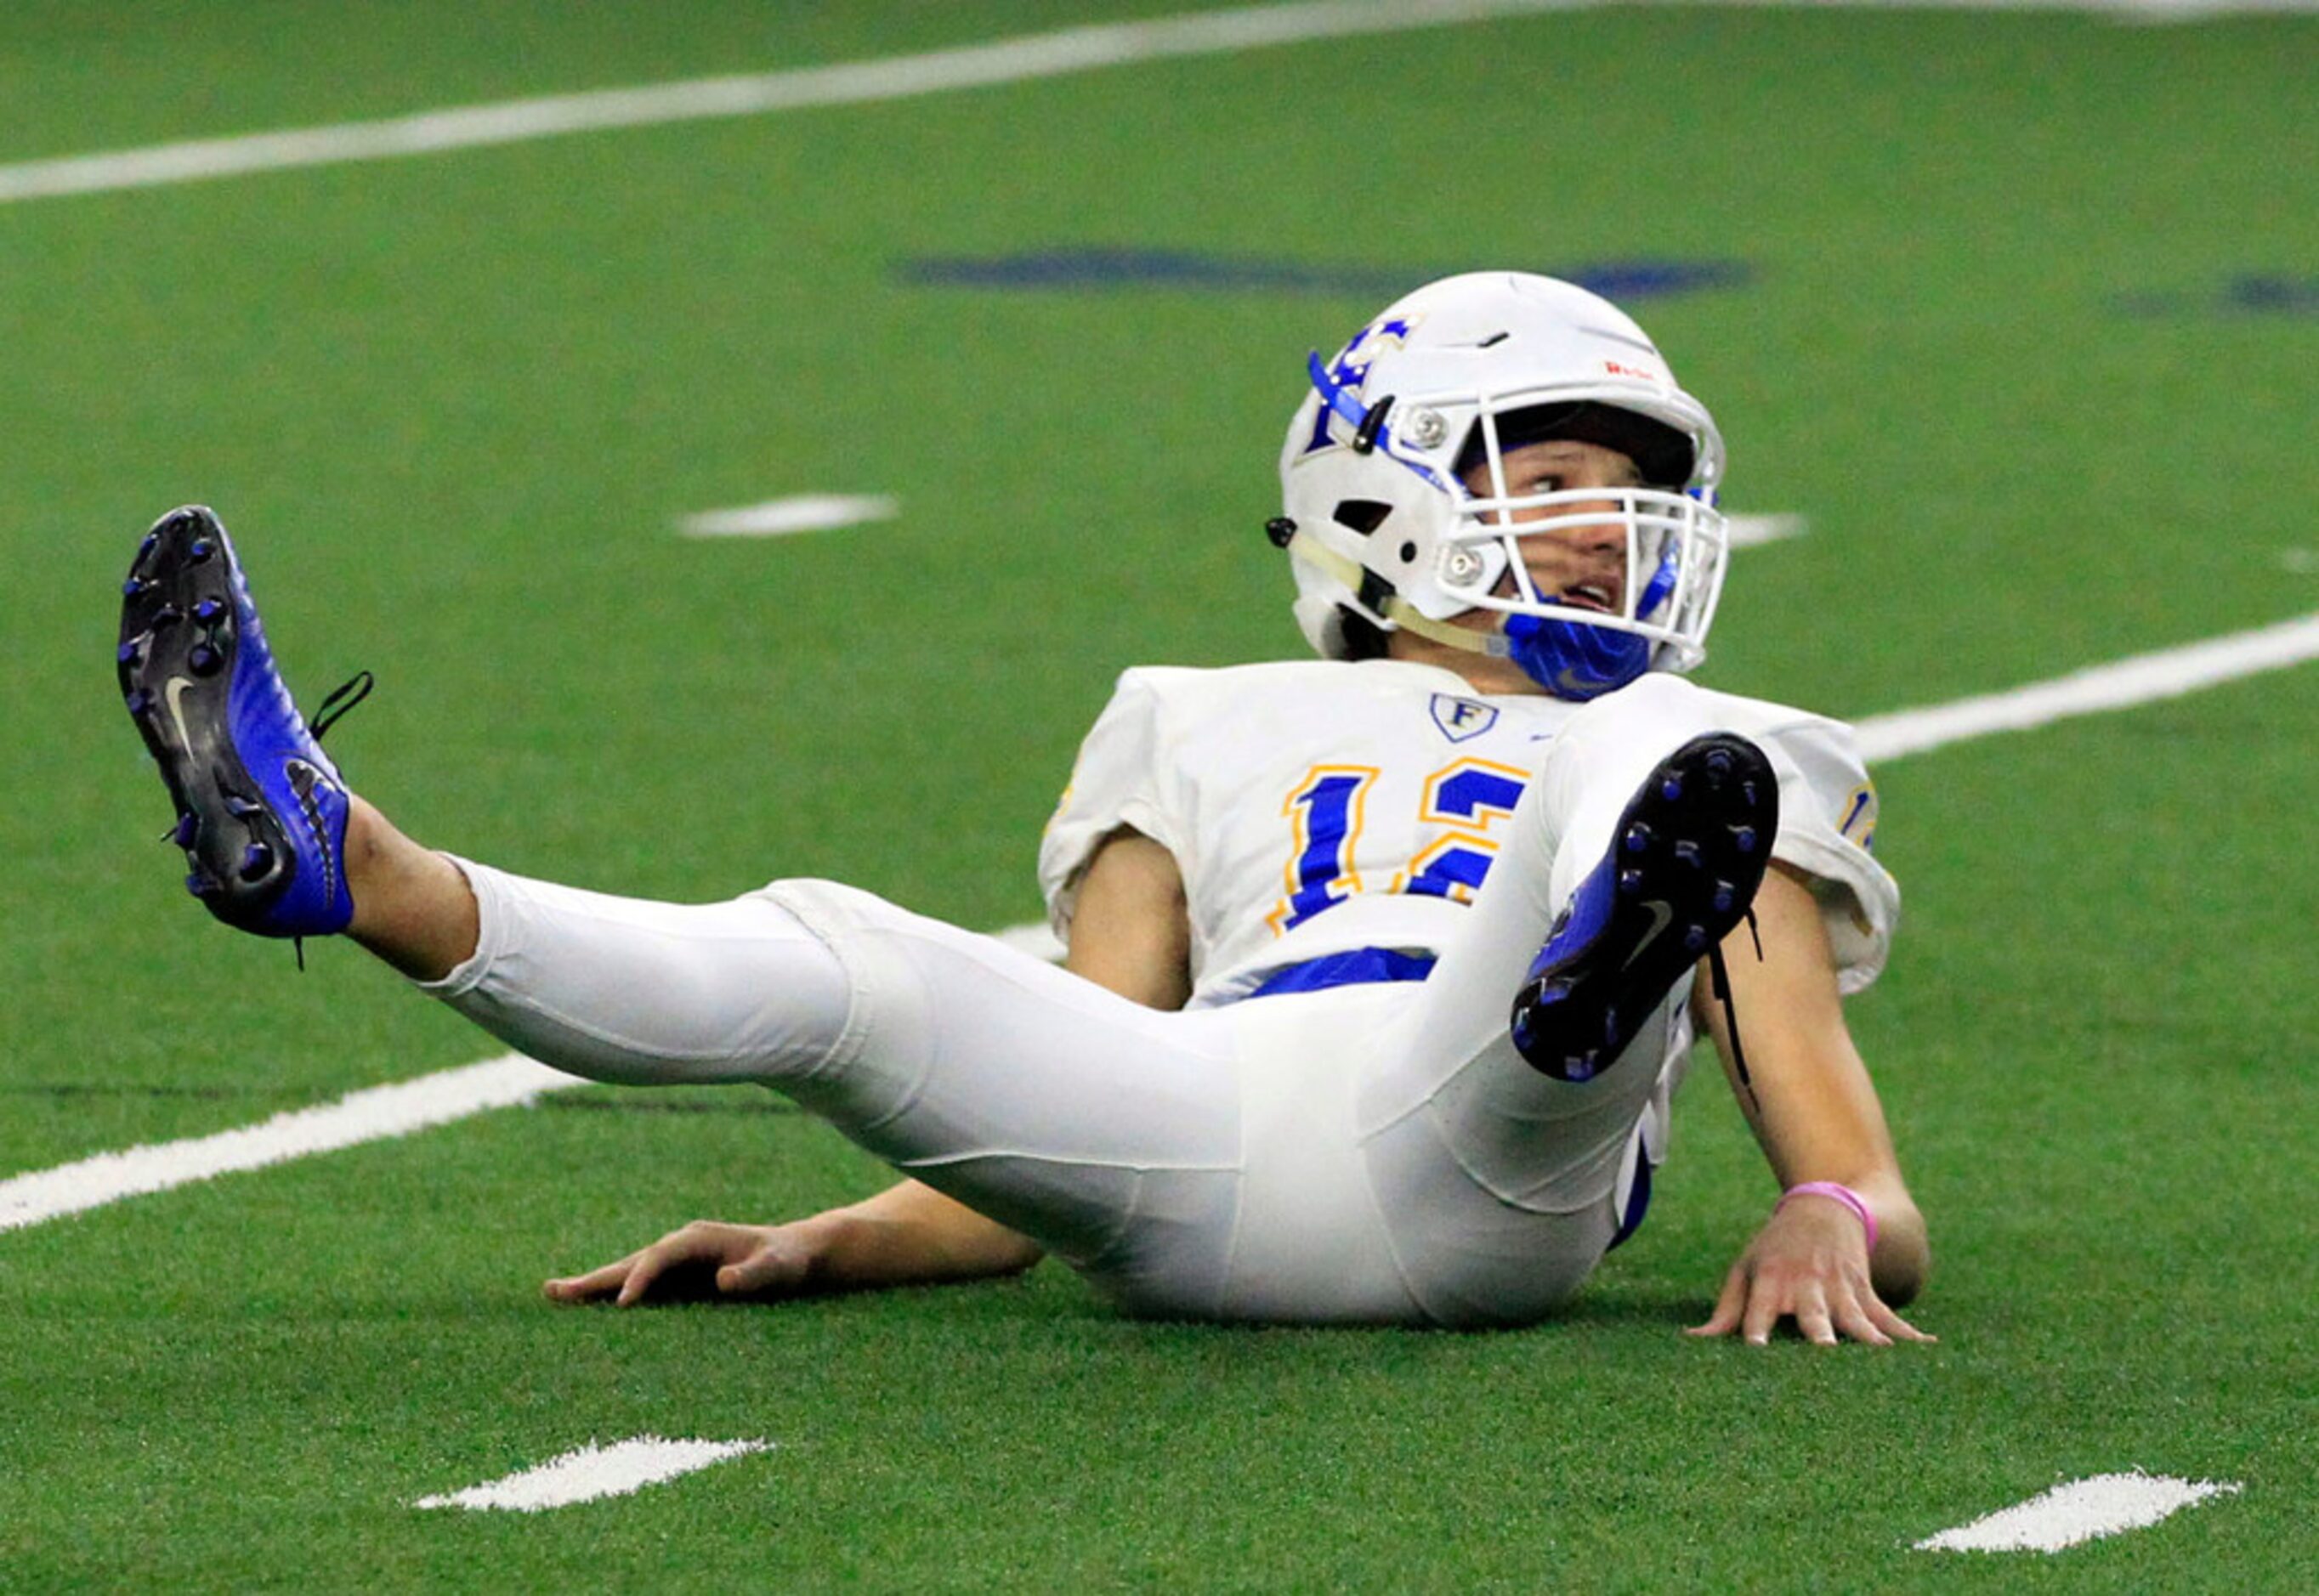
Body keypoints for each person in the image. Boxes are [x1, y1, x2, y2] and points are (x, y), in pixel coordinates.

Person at [116, 271, 1930, 1344]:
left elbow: (1857, 1171)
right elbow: (1087, 1037)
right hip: (1209, 1144)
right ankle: (360, 869)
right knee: (839, 956)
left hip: (1499, 1161)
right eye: (1548, 477)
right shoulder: (1200, 713)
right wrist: (853, 1235)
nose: (1605, 524)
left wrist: (1820, 1221)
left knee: (1673, 759)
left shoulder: (1699, 743)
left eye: (1625, 493)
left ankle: (1574, 991)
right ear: (1379, 495)